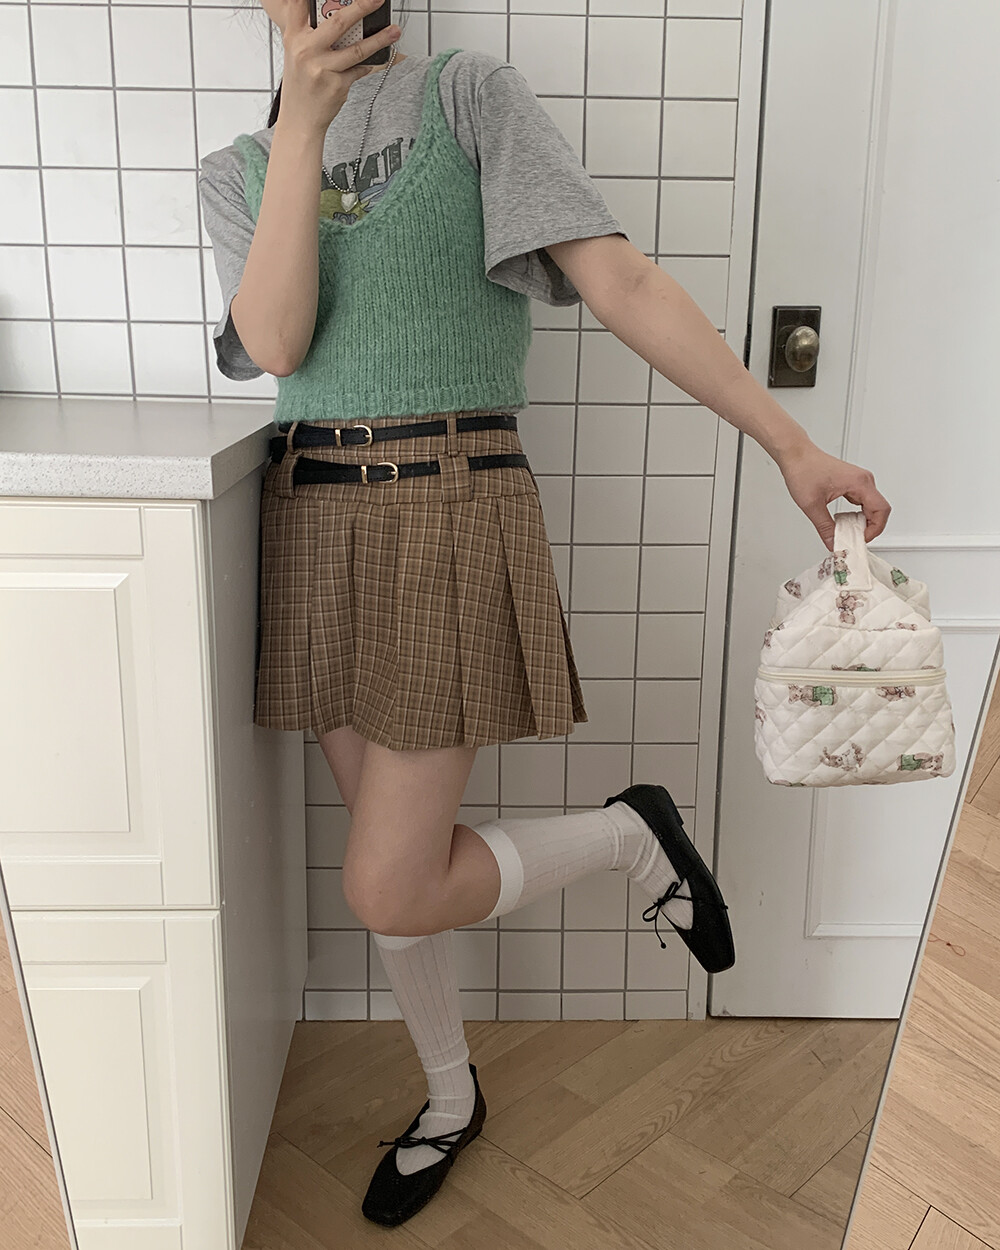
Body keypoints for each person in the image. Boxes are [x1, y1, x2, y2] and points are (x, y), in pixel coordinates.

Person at [197, 0, 892, 1228]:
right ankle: (449, 1094)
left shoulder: (469, 98)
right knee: (395, 859)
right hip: (312, 521)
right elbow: (278, 342)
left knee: (388, 883)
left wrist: (789, 443)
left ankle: (631, 838)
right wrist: (298, 127)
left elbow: (619, 278)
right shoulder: (236, 170)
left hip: (451, 503)